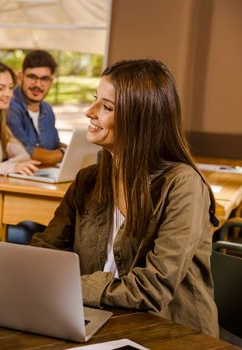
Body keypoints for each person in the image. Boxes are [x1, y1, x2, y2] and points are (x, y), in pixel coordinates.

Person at [31, 59, 219, 337]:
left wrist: (63, 285)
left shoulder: (183, 185)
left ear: (140, 120)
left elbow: (152, 288)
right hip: (100, 323)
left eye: (106, 107)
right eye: (96, 100)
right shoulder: (88, 180)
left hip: (171, 333)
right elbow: (46, 252)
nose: (89, 112)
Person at [7, 50, 65, 166]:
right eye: (32, 77)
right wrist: (64, 154)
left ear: (51, 82)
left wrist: (73, 149)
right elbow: (28, 153)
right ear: (20, 77)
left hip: (43, 176)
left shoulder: (47, 109)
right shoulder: (9, 106)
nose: (38, 85)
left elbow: (55, 145)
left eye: (44, 79)